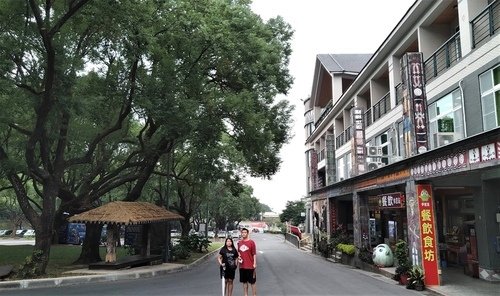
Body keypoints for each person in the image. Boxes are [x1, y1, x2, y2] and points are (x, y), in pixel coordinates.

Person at [237, 228, 257, 296]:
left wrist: (254, 263)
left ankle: (254, 295)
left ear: (247, 233)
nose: (243, 233)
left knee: (252, 282)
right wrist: (238, 257)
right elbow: (238, 252)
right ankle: (245, 295)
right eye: (242, 232)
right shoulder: (239, 242)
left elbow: (254, 254)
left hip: (250, 266)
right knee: (244, 282)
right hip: (242, 266)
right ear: (241, 233)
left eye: (245, 232)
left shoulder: (251, 242)